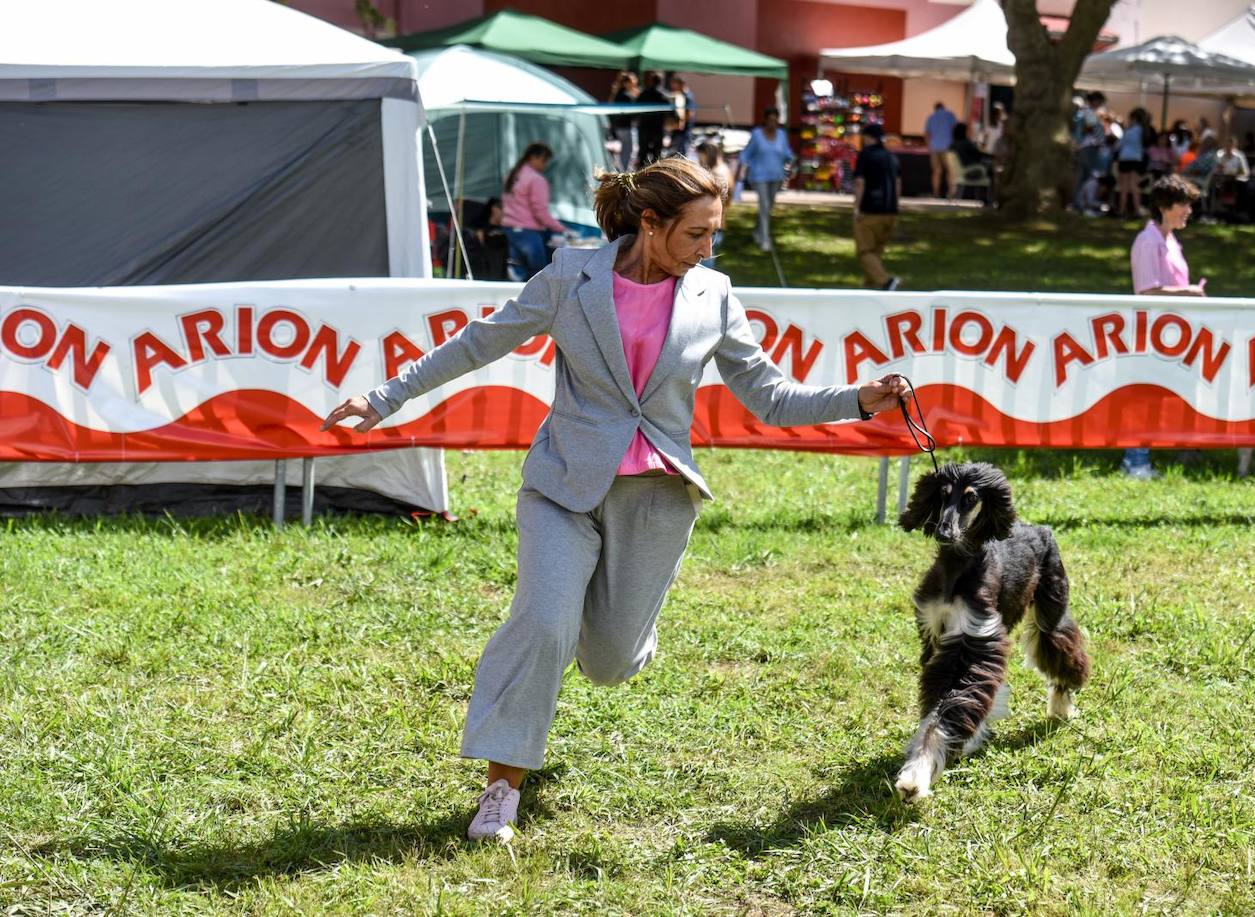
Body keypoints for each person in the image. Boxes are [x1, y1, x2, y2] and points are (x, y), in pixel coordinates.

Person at [320, 157, 915, 843]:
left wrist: (856, 399)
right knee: (543, 624)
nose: (707, 249)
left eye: (713, 234)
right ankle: (499, 793)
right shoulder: (572, 277)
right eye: (696, 234)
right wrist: (385, 396)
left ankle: (624, 630)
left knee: (607, 661)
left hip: (654, 498)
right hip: (563, 487)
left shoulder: (714, 294)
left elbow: (769, 394)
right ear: (650, 223)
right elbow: (479, 342)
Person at [1125, 175, 1205, 480]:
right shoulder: (1148, 241)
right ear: (1163, 206)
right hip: (1152, 331)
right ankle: (1135, 462)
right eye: (1183, 204)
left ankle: (1182, 446)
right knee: (1145, 396)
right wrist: (1190, 293)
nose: (1189, 211)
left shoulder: (1170, 240)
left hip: (1172, 333)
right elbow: (1147, 291)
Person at [500, 143, 566, 281]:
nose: (545, 165)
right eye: (544, 160)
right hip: (529, 234)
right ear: (533, 157)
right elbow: (540, 212)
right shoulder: (536, 179)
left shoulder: (512, 175)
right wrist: (560, 228)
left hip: (510, 230)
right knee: (537, 276)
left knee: (515, 273)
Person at [852, 122, 902, 290]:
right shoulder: (891, 157)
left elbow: (860, 182)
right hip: (890, 212)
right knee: (876, 253)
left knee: (865, 251)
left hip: (870, 210)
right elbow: (897, 184)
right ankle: (870, 288)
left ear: (867, 137)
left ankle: (886, 282)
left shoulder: (866, 155)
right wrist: (895, 206)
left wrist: (857, 207)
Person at [738, 106, 794, 252]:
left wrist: (792, 161)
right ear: (765, 120)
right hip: (759, 176)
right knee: (764, 206)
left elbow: (787, 153)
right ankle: (765, 239)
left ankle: (758, 232)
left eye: (775, 120)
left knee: (768, 207)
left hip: (776, 176)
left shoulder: (782, 135)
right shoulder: (757, 135)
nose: (772, 123)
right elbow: (746, 154)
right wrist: (739, 169)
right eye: (770, 120)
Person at [695, 141, 732, 268]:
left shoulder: (716, 174)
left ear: (707, 154)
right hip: (719, 223)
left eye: (700, 156)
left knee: (704, 266)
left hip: (712, 225)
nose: (699, 160)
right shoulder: (725, 169)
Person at [1073, 92, 1106, 208]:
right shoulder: (1089, 112)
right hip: (1088, 146)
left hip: (1086, 146)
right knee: (1085, 176)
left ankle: (1079, 202)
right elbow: (1089, 128)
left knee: (1083, 175)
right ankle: (1079, 202)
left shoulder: (1086, 112)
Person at [1116, 108, 1148, 217]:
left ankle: (1122, 210)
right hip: (1136, 160)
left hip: (1125, 159)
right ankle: (1137, 209)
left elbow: (1119, 144)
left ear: (1133, 118)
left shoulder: (1129, 131)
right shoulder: (1144, 131)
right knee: (1134, 186)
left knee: (1124, 186)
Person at [636, 71, 671, 168]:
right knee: (657, 153)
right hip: (658, 127)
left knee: (643, 151)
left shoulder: (644, 93)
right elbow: (671, 112)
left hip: (644, 126)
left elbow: (636, 107)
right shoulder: (664, 95)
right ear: (661, 81)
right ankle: (655, 171)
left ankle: (641, 171)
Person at [925, 102, 958, 198]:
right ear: (944, 107)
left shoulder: (931, 117)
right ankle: (951, 193)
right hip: (948, 147)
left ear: (935, 108)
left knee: (936, 171)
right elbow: (955, 129)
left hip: (935, 147)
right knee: (950, 171)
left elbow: (926, 134)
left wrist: (929, 145)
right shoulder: (950, 115)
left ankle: (936, 193)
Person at [608, 71, 639, 170]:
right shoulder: (626, 97)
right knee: (629, 150)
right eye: (632, 83)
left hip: (620, 126)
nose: (634, 85)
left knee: (625, 150)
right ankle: (624, 170)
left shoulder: (618, 94)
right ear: (626, 83)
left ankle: (621, 168)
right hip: (626, 126)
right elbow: (634, 112)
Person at [668, 75, 696, 155]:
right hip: (679, 132)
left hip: (684, 133)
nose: (673, 88)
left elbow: (690, 114)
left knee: (682, 156)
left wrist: (679, 123)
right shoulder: (682, 95)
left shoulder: (688, 97)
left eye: (675, 85)